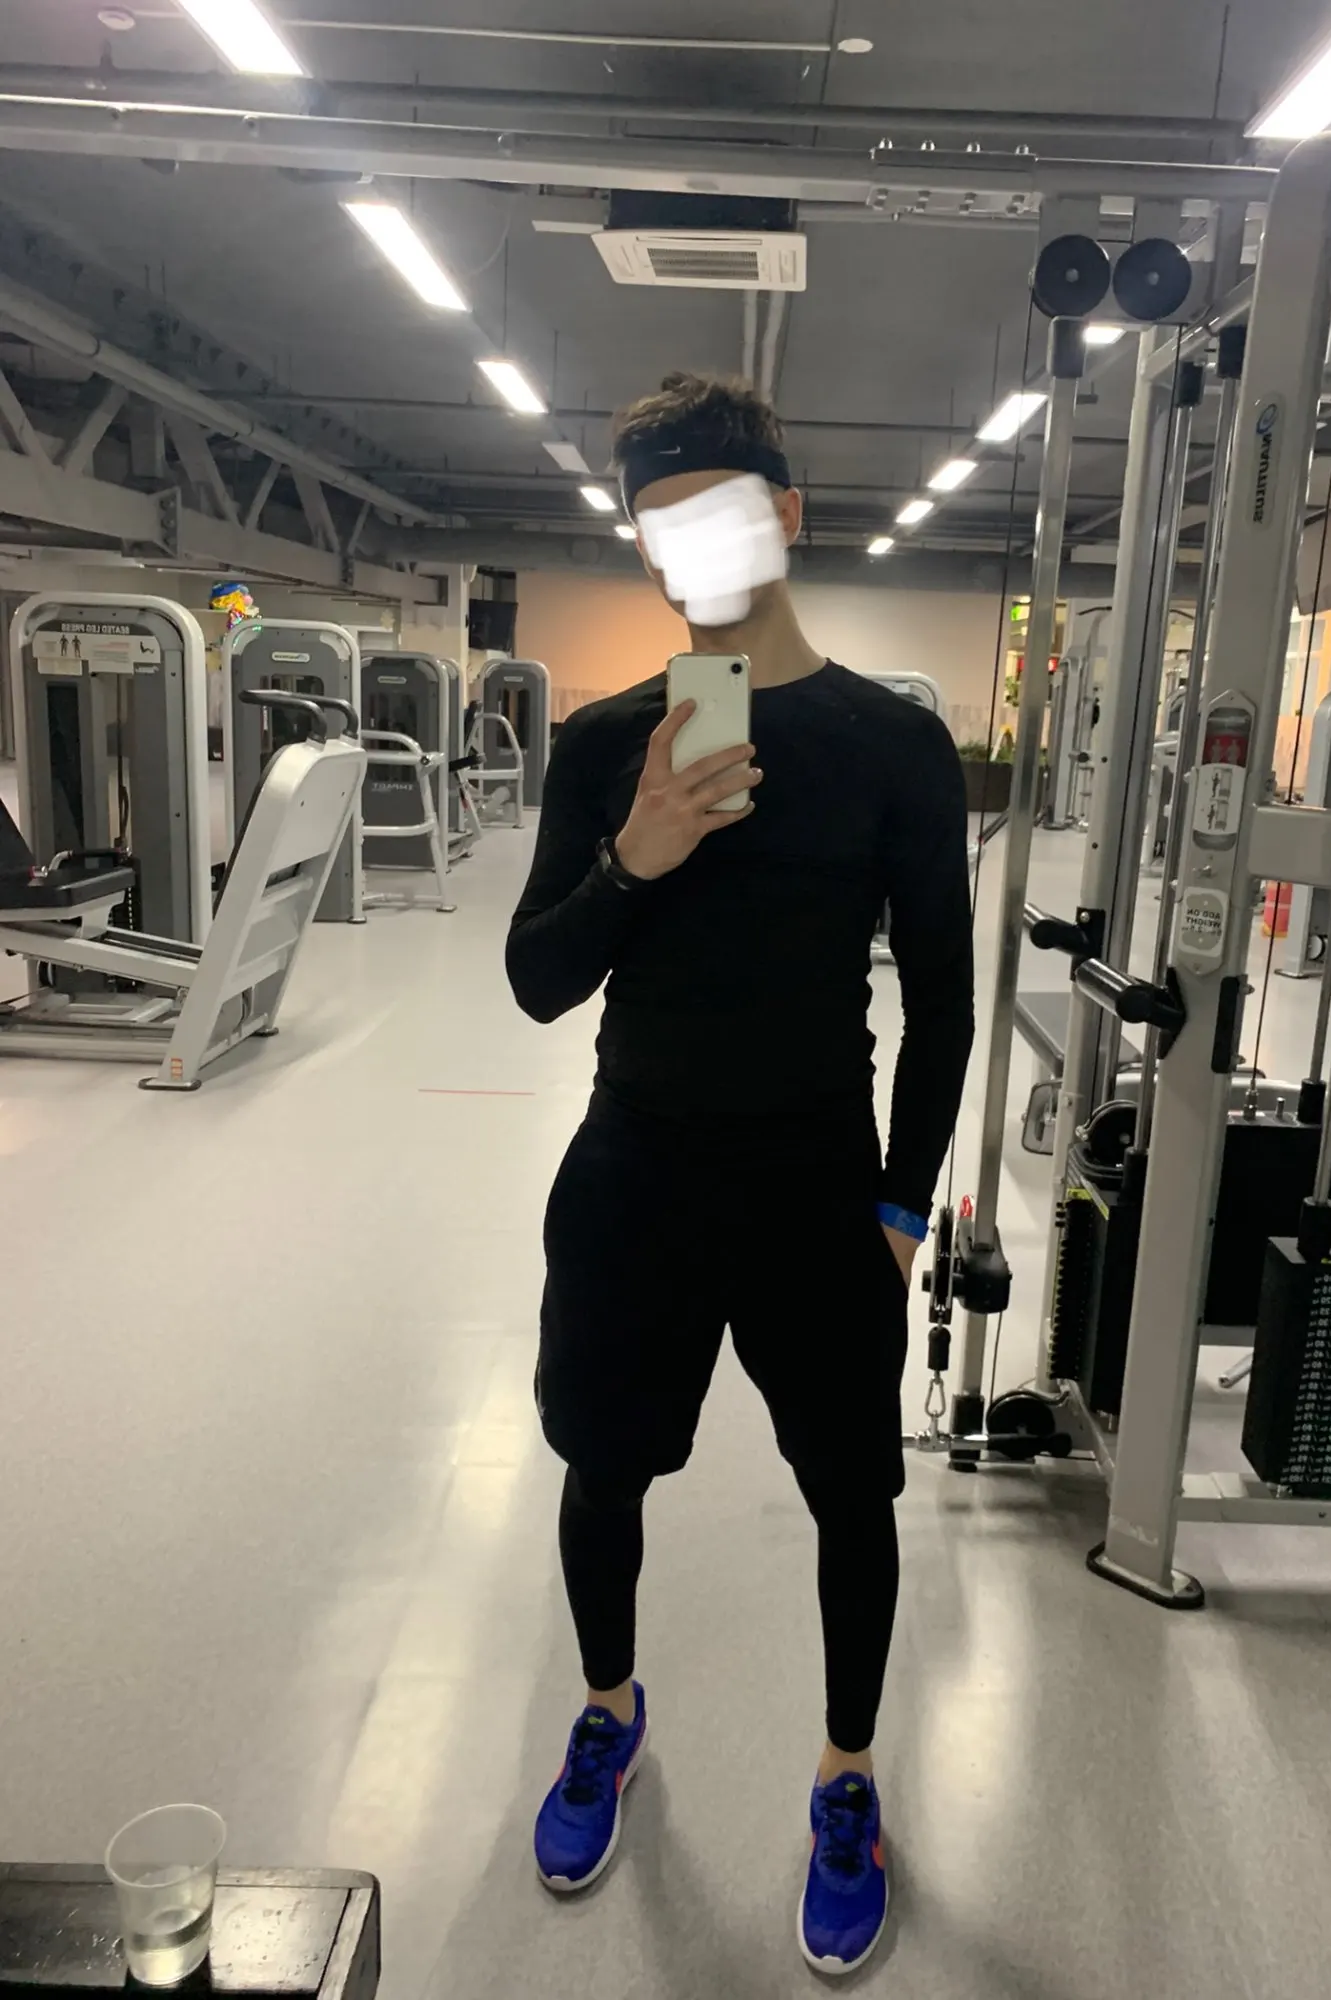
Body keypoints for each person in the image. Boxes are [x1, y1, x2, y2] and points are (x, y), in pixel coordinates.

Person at [506, 372, 973, 1976]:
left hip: (817, 1189)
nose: (681, 552)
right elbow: (539, 980)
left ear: (784, 514)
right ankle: (609, 1714)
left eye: (710, 513)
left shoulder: (894, 748)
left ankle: (847, 1776)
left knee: (853, 1492)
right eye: (654, 527)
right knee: (603, 1469)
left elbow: (944, 1000)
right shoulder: (606, 744)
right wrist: (636, 854)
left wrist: (902, 1204)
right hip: (634, 1175)